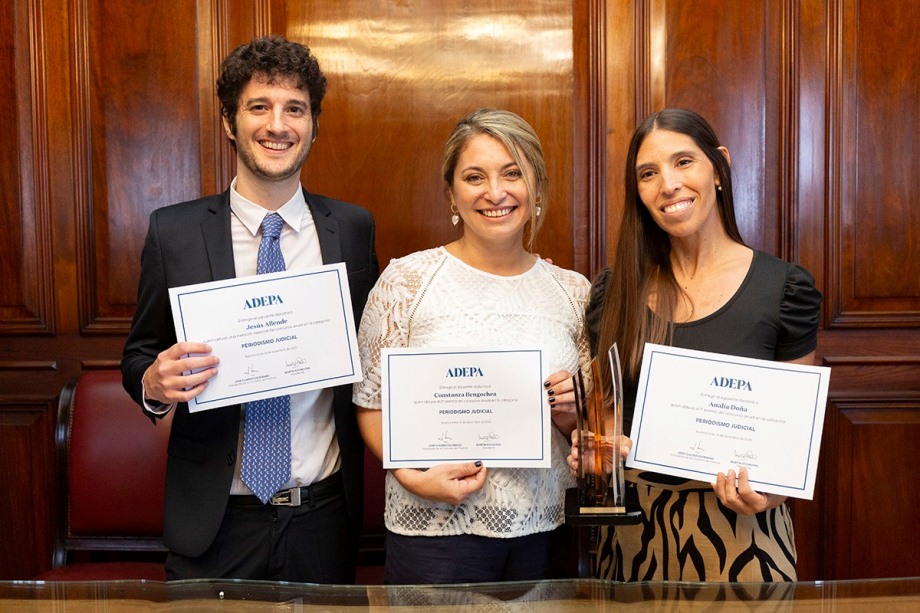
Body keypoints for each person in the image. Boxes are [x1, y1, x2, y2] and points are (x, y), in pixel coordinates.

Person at [121, 35, 378, 582]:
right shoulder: (175, 232)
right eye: (259, 106)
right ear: (229, 122)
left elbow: (371, 355)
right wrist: (155, 384)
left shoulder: (352, 230)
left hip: (324, 517)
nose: (277, 125)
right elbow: (140, 353)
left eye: (295, 109)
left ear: (313, 123)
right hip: (214, 520)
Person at [575, 108, 822, 582]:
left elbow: (793, 440)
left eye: (683, 162)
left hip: (742, 539)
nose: (667, 184)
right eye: (648, 174)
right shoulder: (614, 292)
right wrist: (596, 451)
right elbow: (606, 416)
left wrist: (770, 495)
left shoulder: (785, 290)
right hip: (632, 538)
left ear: (719, 167)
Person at [353, 108, 590, 584]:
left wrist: (569, 412)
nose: (495, 192)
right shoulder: (407, 281)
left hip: (547, 534)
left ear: (536, 189)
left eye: (513, 174)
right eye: (475, 176)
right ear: (452, 194)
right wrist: (410, 475)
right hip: (434, 534)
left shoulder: (574, 292)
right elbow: (371, 405)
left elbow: (587, 423)